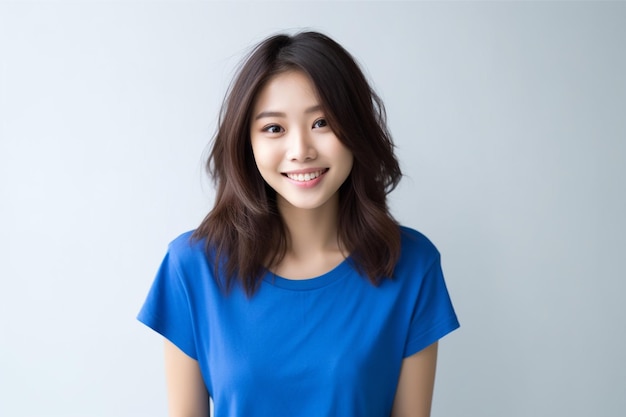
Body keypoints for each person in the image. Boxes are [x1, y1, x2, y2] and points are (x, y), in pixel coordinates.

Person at [138, 31, 459, 417]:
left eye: (322, 122)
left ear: (355, 129)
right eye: (274, 128)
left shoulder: (409, 264)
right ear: (247, 143)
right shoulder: (191, 268)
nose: (301, 150)